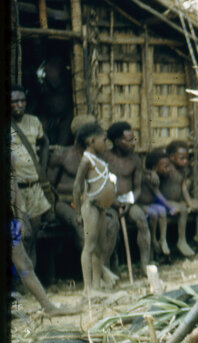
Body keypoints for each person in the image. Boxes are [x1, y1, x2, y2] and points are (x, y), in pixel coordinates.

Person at [47, 115, 119, 280]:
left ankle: (102, 268)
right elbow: (50, 185)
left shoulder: (99, 157)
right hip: (66, 202)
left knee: (112, 222)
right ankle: (100, 272)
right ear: (88, 138)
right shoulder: (63, 155)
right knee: (81, 227)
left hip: (93, 202)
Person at [72, 123, 117, 297]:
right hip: (90, 207)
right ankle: (88, 288)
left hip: (100, 208)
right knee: (89, 247)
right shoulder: (86, 160)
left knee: (99, 247)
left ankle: (97, 287)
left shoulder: (98, 159)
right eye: (103, 140)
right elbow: (77, 186)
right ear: (91, 141)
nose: (106, 144)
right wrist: (77, 212)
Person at [10, 85, 52, 264]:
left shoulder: (34, 121)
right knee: (24, 235)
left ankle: (29, 278)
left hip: (34, 186)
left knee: (33, 234)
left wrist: (41, 166)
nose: (20, 104)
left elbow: (44, 142)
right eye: (15, 102)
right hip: (15, 189)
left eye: (22, 101)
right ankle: (22, 280)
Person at [104, 121, 152, 271]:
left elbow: (137, 188)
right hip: (109, 203)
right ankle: (107, 267)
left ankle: (145, 264)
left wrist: (130, 202)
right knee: (112, 225)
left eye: (133, 139)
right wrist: (112, 202)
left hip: (128, 201)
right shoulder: (105, 158)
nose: (133, 143)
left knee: (142, 220)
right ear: (118, 142)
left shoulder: (135, 160)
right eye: (129, 140)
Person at [160, 140, 198, 256]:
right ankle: (181, 240)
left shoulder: (182, 171)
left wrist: (190, 202)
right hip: (166, 202)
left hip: (178, 201)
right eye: (182, 158)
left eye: (186, 158)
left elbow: (183, 188)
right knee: (183, 209)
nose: (185, 161)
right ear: (171, 157)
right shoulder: (167, 169)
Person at [137, 147, 176, 256]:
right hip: (141, 205)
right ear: (155, 167)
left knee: (162, 211)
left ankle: (163, 239)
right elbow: (158, 194)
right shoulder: (151, 177)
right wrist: (170, 207)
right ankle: (154, 239)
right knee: (154, 213)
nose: (169, 169)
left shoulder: (155, 175)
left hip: (151, 204)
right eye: (165, 166)